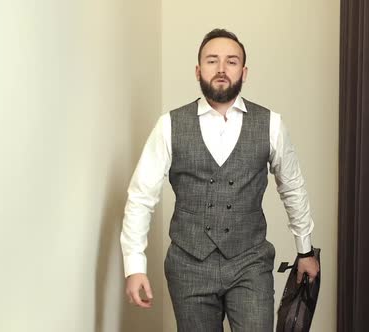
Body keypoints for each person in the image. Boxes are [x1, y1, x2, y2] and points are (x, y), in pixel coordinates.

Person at [120, 28, 319, 331]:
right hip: (188, 266)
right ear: (198, 70)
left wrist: (304, 250)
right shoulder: (169, 126)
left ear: (244, 71)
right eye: (212, 61)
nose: (222, 69)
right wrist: (134, 266)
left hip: (250, 263)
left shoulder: (271, 124)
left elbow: (292, 187)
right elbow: (141, 196)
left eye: (232, 61)